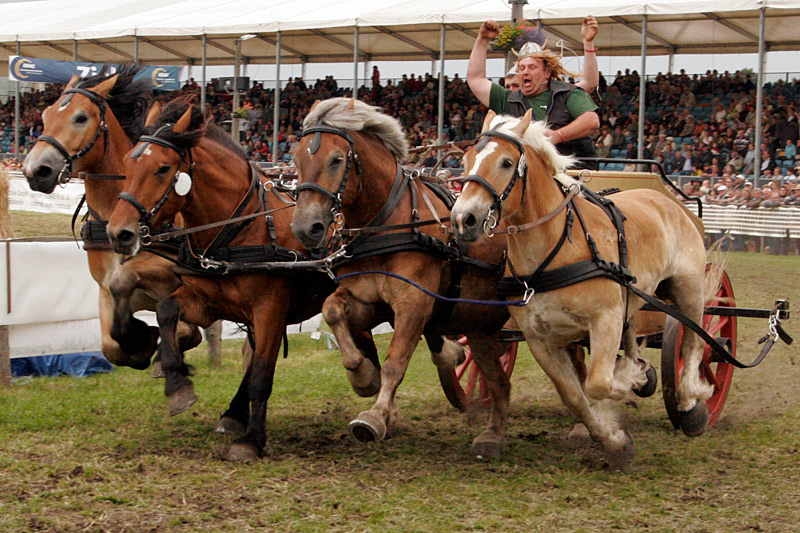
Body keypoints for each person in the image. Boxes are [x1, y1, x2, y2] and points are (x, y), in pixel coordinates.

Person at [467, 16, 601, 169]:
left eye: (532, 67)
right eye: (521, 68)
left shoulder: (566, 93)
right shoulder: (507, 99)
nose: (525, 72)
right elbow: (476, 79)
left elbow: (591, 120)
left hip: (574, 173)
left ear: (547, 73)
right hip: (526, 177)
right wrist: (482, 39)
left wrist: (558, 135)